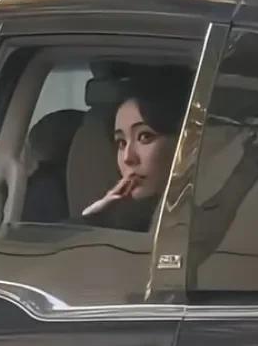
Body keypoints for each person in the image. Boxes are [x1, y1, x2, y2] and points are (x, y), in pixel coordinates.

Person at [80, 71, 191, 232]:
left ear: (182, 141)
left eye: (145, 137)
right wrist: (95, 215)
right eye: (121, 142)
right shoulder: (124, 222)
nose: (128, 157)